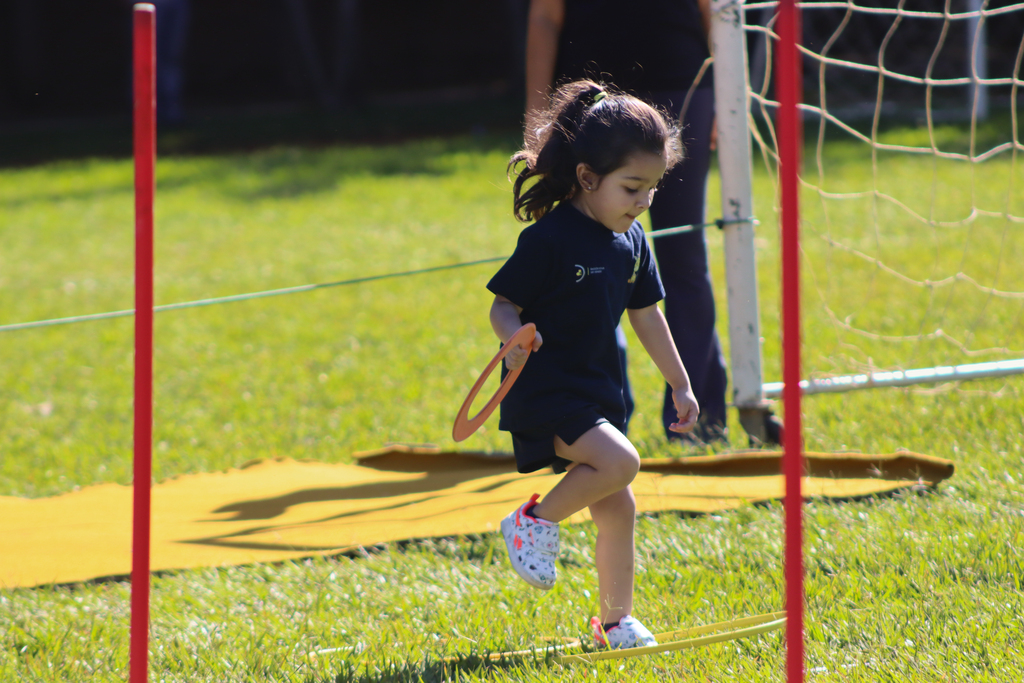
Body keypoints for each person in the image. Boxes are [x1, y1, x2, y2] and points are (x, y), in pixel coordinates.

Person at [489, 80, 700, 650]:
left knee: (618, 505)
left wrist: (680, 383)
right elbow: (503, 305)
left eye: (652, 188)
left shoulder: (633, 241)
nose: (643, 201)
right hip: (546, 389)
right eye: (632, 187)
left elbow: (647, 316)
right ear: (587, 177)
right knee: (621, 462)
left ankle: (614, 623)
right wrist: (514, 338)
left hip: (599, 390)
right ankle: (533, 522)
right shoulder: (550, 239)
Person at [525, 0, 729, 444]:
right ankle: (597, 422)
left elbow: (713, 10)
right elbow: (544, 16)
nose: (642, 200)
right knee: (589, 262)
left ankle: (698, 421)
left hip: (681, 86)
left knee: (684, 258)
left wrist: (729, 95)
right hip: (590, 110)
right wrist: (537, 116)